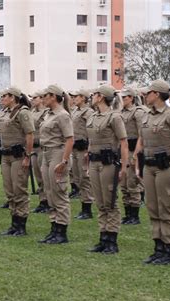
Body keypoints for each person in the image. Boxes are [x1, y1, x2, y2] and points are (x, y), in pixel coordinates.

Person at [134, 79, 170, 265]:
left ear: (156, 94)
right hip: (149, 166)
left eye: (148, 92)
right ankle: (158, 248)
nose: (145, 95)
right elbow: (142, 140)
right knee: (152, 207)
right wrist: (137, 161)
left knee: (166, 208)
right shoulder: (146, 115)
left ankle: (169, 250)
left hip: (167, 166)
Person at [86, 85, 128, 254]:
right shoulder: (93, 116)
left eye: (94, 94)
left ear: (101, 97)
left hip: (108, 163)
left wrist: (124, 166)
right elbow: (91, 141)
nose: (92, 97)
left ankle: (112, 240)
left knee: (110, 201)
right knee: (100, 202)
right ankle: (103, 238)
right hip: (94, 162)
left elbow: (123, 142)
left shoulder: (114, 117)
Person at [37, 85, 74, 244]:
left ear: (53, 96)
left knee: (59, 192)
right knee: (49, 191)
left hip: (57, 153)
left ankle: (62, 230)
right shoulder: (48, 114)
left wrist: (64, 161)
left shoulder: (62, 115)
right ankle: (54, 227)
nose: (42, 98)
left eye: (45, 95)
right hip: (46, 154)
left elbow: (70, 139)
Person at [0, 87, 35, 236]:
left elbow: (30, 135)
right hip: (6, 155)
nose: (2, 99)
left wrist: (28, 156)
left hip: (18, 156)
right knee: (9, 190)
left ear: (12, 97)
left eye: (4, 96)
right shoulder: (6, 112)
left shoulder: (23, 112)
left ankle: (21, 224)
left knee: (19, 190)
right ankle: (14, 223)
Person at [119, 87, 148, 225]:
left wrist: (136, 154)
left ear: (131, 98)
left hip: (133, 149)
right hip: (123, 150)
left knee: (132, 184)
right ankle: (128, 214)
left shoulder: (138, 112)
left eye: (125, 97)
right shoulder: (120, 112)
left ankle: (134, 216)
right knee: (123, 184)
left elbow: (141, 135)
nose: (122, 99)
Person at [70, 89, 95, 219]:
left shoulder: (89, 112)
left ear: (84, 98)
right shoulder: (75, 111)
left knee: (85, 178)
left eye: (77, 96)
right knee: (77, 177)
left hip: (84, 148)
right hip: (75, 147)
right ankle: (83, 204)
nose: (74, 98)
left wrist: (89, 149)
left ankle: (87, 208)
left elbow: (91, 130)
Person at [30, 90, 49, 213]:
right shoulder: (32, 112)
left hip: (43, 147)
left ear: (42, 99)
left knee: (44, 176)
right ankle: (42, 201)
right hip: (34, 147)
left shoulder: (46, 113)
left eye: (35, 98)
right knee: (38, 176)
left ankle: (47, 201)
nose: (32, 100)